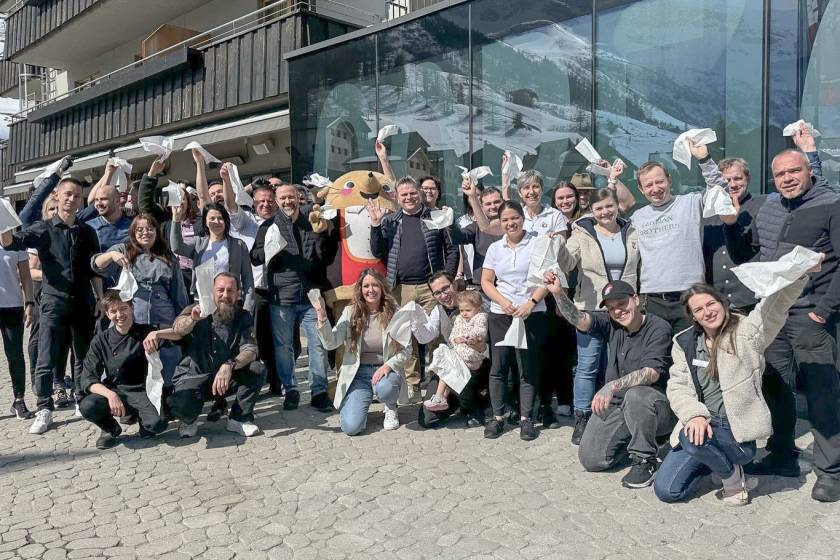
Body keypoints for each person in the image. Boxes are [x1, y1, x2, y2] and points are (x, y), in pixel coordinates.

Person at [723, 148, 840, 502]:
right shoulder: (769, 207)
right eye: (780, 174)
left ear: (808, 171)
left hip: (809, 315)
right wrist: (731, 228)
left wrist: (823, 310)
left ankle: (830, 471)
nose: (787, 179)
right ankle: (783, 454)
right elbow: (751, 256)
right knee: (775, 386)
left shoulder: (831, 204)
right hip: (773, 314)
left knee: (822, 394)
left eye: (794, 171)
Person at [655, 272, 815, 505]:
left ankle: (732, 479)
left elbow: (773, 307)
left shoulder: (747, 332)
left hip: (735, 433)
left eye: (711, 304)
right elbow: (677, 385)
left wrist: (799, 276)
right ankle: (715, 462)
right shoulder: (684, 342)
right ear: (694, 317)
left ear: (722, 303)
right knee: (667, 491)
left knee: (689, 440)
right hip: (701, 424)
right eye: (698, 310)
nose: (707, 312)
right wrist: (694, 415)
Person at [546, 273, 674, 489]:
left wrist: (612, 385)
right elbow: (579, 318)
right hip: (618, 405)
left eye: (622, 303)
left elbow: (651, 373)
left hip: (654, 404)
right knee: (592, 459)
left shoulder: (658, 327)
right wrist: (558, 293)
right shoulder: (612, 324)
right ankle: (636, 439)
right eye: (612, 307)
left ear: (637, 299)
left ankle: (645, 459)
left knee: (636, 394)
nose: (617, 311)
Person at [1, 178, 103, 435]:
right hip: (53, 302)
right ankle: (44, 407)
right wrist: (4, 222)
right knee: (46, 357)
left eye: (77, 196)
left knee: (82, 355)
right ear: (57, 196)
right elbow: (11, 243)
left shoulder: (87, 231)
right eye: (68, 194)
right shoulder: (43, 229)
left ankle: (81, 398)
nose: (72, 199)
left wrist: (100, 298)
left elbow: (94, 269)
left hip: (83, 301)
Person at [556, 188, 641, 445]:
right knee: (587, 365)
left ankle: (616, 412)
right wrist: (557, 244)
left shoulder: (632, 231)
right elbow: (567, 262)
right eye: (599, 209)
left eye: (609, 206)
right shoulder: (581, 233)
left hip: (625, 309)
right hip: (592, 307)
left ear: (617, 206)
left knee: (619, 364)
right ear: (592, 212)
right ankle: (581, 416)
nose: (605, 212)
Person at [369, 176, 458, 401]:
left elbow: (451, 249)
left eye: (412, 193)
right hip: (401, 289)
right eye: (404, 194)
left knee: (436, 337)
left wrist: (445, 278)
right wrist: (375, 225)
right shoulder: (391, 221)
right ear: (397, 198)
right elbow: (378, 251)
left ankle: (441, 384)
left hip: (431, 288)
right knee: (407, 338)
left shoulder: (436, 217)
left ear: (419, 194)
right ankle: (413, 386)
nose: (408, 197)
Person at [250, 184, 335, 412]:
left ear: (299, 198)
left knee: (317, 345)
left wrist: (323, 234)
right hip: (281, 297)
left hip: (310, 295)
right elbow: (255, 258)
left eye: (291, 197)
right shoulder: (268, 227)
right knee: (283, 347)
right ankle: (291, 389)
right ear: (277, 201)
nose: (287, 201)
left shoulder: (312, 223)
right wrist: (270, 250)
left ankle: (319, 391)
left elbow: (324, 258)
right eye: (283, 198)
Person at [150, 272, 265, 438]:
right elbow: (178, 329)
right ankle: (188, 420)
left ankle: (238, 419)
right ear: (212, 292)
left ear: (238, 293)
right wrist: (193, 319)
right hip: (194, 377)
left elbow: (251, 349)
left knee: (257, 369)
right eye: (220, 290)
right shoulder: (196, 309)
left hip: (225, 378)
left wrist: (229, 365)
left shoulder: (243, 316)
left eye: (230, 291)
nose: (225, 295)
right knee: (181, 402)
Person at [631, 140, 724, 333]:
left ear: (669, 180)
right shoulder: (637, 217)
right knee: (657, 357)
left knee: (693, 355)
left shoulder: (691, 203)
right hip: (653, 301)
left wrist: (704, 159)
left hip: (690, 298)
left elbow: (719, 189)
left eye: (659, 181)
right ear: (641, 189)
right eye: (648, 185)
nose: (655, 188)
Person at [481, 201, 549, 441]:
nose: (511, 223)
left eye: (515, 218)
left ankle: (526, 419)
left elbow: (547, 279)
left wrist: (530, 303)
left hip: (531, 313)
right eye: (506, 220)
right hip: (501, 314)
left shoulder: (538, 243)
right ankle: (498, 417)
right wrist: (503, 302)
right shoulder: (495, 248)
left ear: (523, 218)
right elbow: (487, 281)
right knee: (498, 367)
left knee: (526, 368)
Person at [92, 213, 189, 382]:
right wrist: (111, 256)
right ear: (133, 232)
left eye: (150, 229)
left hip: (162, 317)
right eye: (140, 230)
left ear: (157, 232)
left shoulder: (168, 257)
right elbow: (96, 264)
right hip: (132, 318)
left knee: (165, 369)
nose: (145, 233)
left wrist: (182, 320)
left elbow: (178, 293)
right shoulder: (124, 250)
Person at [314, 269, 408, 435]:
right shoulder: (350, 312)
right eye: (366, 286)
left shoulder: (396, 312)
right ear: (360, 289)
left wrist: (388, 365)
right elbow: (331, 342)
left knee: (385, 388)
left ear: (382, 287)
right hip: (358, 374)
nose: (370, 290)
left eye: (375, 285)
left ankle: (391, 406)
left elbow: (407, 351)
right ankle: (355, 407)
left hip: (385, 372)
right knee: (351, 428)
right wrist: (322, 317)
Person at [77, 292, 168, 449]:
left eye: (123, 308)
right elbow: (87, 378)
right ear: (107, 314)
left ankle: (141, 419)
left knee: (157, 425)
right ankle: (109, 428)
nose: (119, 315)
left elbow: (178, 334)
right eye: (113, 311)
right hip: (116, 389)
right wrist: (110, 395)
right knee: (87, 406)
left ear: (132, 307)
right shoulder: (101, 340)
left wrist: (158, 333)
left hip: (141, 391)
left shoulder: (146, 332)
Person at [412, 272, 490, 428]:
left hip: (478, 362)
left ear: (454, 285)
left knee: (464, 378)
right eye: (437, 293)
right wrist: (414, 321)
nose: (443, 295)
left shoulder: (474, 300)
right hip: (452, 364)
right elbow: (425, 337)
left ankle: (476, 406)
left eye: (445, 288)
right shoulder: (438, 310)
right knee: (427, 419)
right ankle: (456, 401)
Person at [170, 202, 254, 313]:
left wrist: (248, 307)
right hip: (202, 303)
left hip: (227, 302)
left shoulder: (238, 245)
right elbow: (177, 248)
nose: (216, 222)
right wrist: (176, 220)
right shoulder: (198, 243)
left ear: (226, 221)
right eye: (212, 218)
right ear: (205, 221)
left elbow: (247, 278)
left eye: (220, 218)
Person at [423, 290, 487, 413]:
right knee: (445, 363)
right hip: (459, 354)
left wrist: (467, 338)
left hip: (472, 358)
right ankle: (441, 397)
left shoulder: (481, 317)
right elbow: (453, 334)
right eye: (462, 310)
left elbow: (480, 332)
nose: (464, 313)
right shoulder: (459, 318)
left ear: (478, 308)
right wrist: (454, 339)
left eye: (468, 310)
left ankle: (441, 397)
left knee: (449, 369)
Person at [0, 241, 34, 419]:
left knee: (15, 355)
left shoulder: (17, 243)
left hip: (12, 306)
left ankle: (19, 400)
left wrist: (29, 302)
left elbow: (26, 275)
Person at [453, 184, 503, 291]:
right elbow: (458, 238)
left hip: (508, 285)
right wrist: (449, 222)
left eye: (497, 202)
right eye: (488, 204)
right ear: (482, 207)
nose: (493, 206)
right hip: (482, 287)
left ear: (503, 202)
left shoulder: (513, 224)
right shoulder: (476, 226)